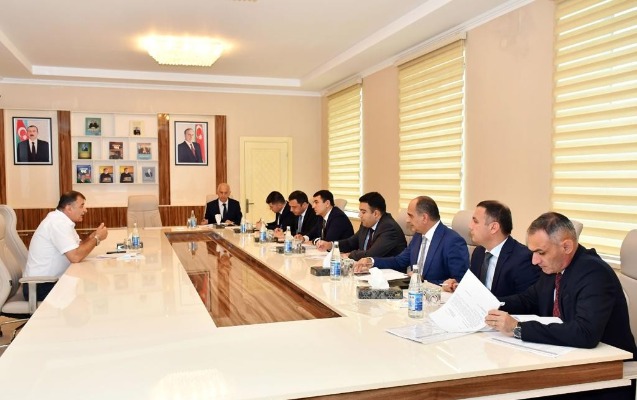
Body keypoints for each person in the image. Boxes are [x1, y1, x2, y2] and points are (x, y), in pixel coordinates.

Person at [486, 212, 636, 400]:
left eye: (541, 252)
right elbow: (528, 300)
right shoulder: (554, 268)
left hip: (605, 377)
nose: (534, 261)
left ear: (566, 247)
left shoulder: (594, 273)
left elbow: (585, 333)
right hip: (568, 362)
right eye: (532, 252)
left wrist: (518, 328)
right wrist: (487, 303)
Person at [354, 196, 469, 282]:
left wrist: (421, 280)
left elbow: (459, 283)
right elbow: (399, 261)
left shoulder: (452, 241)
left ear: (424, 218)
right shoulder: (418, 236)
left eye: (410, 215)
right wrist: (371, 261)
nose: (407, 220)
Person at [23, 191, 108, 301]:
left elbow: (78, 247)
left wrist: (92, 237)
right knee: (90, 295)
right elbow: (75, 257)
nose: (85, 210)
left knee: (88, 289)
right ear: (69, 208)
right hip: (41, 286)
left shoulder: (62, 221)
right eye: (82, 206)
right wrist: (97, 239)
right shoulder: (58, 223)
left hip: (48, 283)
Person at [442, 200, 539, 296]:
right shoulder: (478, 252)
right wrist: (456, 286)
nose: (470, 226)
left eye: (475, 221)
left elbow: (525, 301)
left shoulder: (523, 259)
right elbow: (475, 290)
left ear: (493, 227)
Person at [318, 192, 407, 261]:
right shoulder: (366, 224)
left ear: (376, 213)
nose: (359, 215)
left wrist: (349, 255)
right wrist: (330, 245)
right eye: (360, 211)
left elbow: (371, 254)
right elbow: (351, 243)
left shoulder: (389, 228)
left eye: (363, 212)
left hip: (388, 274)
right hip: (367, 270)